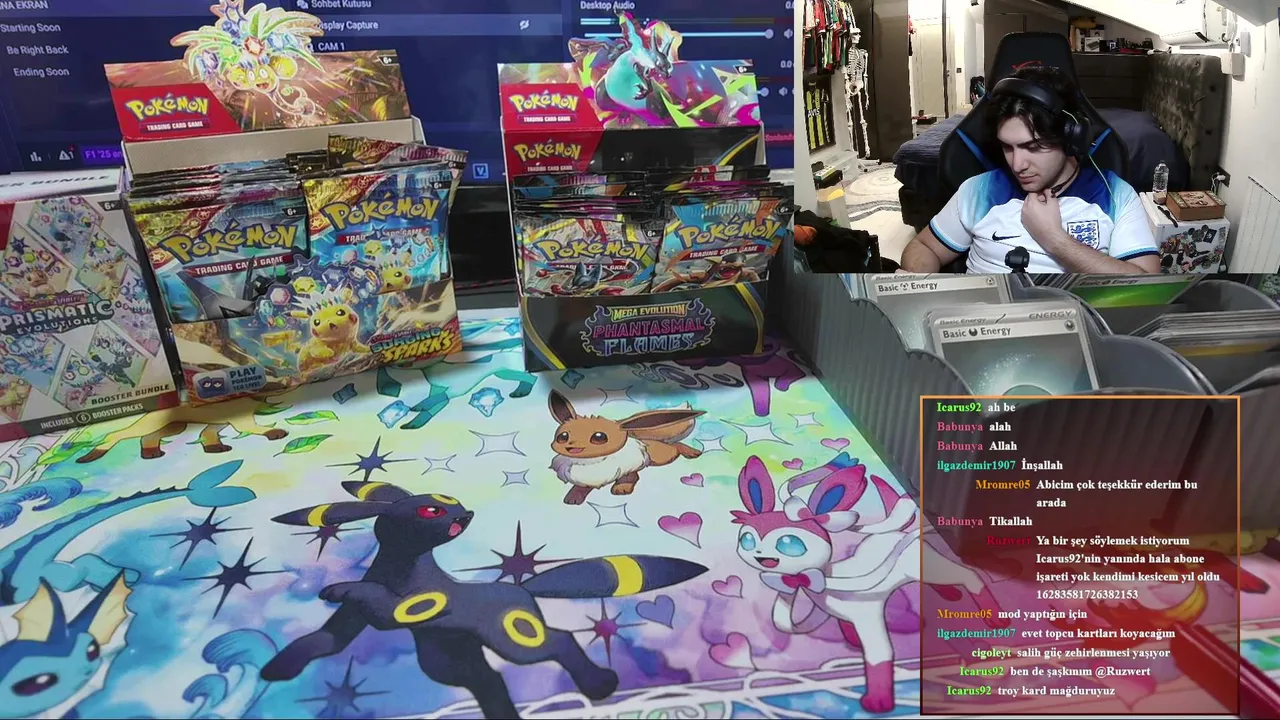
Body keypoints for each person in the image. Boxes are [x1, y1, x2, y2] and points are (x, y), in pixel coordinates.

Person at [900, 66, 1160, 274]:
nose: (1017, 165)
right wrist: (917, 280)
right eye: (1007, 147)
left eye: (1032, 147)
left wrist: (1054, 239)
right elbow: (924, 246)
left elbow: (1145, 287)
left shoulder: (1115, 195)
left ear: (1070, 138)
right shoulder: (979, 190)